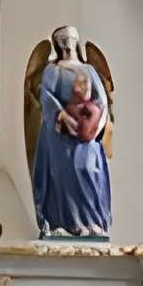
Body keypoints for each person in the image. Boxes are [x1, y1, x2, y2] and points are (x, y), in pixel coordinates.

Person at [32, 26, 113, 239]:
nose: (67, 44)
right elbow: (46, 96)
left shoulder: (89, 70)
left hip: (86, 138)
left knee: (90, 172)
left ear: (77, 41)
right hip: (60, 138)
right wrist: (62, 115)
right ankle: (63, 223)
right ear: (57, 44)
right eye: (62, 40)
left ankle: (92, 222)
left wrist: (96, 125)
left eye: (70, 39)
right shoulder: (53, 70)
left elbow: (102, 101)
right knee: (60, 176)